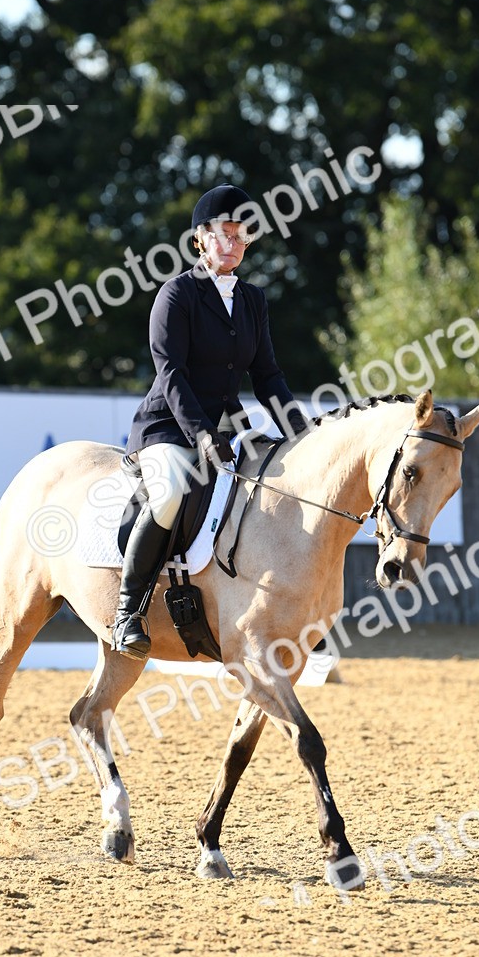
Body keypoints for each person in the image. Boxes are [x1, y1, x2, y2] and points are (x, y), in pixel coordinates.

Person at [112, 183, 309, 659]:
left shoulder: (253, 300)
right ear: (200, 238)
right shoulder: (176, 294)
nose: (234, 244)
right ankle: (128, 610)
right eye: (224, 234)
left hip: (224, 428)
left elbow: (267, 376)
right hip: (168, 426)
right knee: (173, 490)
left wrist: (302, 433)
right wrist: (200, 435)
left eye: (242, 237)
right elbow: (171, 372)